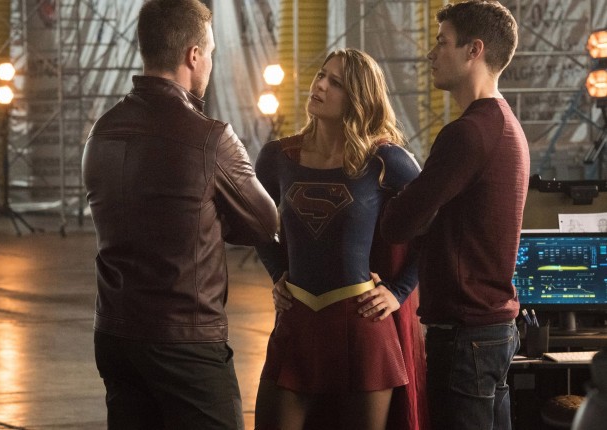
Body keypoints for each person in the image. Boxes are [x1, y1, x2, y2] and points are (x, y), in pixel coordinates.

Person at [81, 1, 278, 428]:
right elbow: (265, 223)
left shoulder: (102, 131)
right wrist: (214, 215)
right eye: (211, 53)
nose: (210, 63)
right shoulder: (210, 138)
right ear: (193, 54)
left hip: (115, 333)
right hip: (185, 339)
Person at [253, 48, 427, 430]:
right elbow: (253, 221)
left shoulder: (385, 160)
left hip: (362, 327)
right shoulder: (278, 156)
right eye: (321, 75)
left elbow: (434, 225)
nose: (319, 85)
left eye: (336, 83)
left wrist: (398, 291)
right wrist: (277, 272)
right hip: (296, 322)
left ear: (358, 99)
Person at [380, 1, 529, 429]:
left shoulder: (467, 133)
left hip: (466, 335)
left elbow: (397, 223)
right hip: (492, 330)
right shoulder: (505, 123)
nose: (431, 54)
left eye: (442, 42)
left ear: (473, 50)